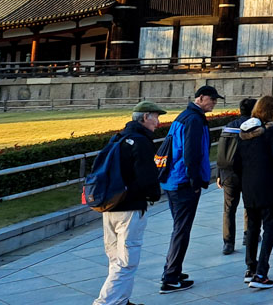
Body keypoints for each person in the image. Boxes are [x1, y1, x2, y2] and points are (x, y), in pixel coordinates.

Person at [93, 100, 165, 305]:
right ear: (145, 117)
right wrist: (153, 194)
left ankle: (121, 301)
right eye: (156, 117)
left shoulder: (117, 138)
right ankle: (105, 303)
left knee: (115, 259)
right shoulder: (141, 141)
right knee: (127, 261)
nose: (157, 123)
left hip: (109, 206)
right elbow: (147, 177)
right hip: (130, 208)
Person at [160, 85, 222, 293]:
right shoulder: (194, 119)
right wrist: (195, 182)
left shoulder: (186, 115)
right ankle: (170, 277)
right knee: (182, 230)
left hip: (173, 180)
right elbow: (191, 154)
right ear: (200, 97)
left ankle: (173, 270)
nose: (214, 102)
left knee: (180, 228)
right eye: (211, 99)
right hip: (183, 182)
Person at [234, 95, 273, 289]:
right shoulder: (271, 132)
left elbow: (236, 164)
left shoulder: (244, 133)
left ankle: (250, 269)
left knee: (252, 228)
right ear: (269, 112)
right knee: (270, 227)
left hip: (249, 188)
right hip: (269, 186)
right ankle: (261, 272)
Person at [217, 97, 255, 255]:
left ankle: (228, 242)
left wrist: (219, 174)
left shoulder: (229, 127)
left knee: (229, 209)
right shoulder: (254, 127)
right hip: (249, 173)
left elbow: (221, 152)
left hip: (229, 174)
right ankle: (248, 235)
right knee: (250, 206)